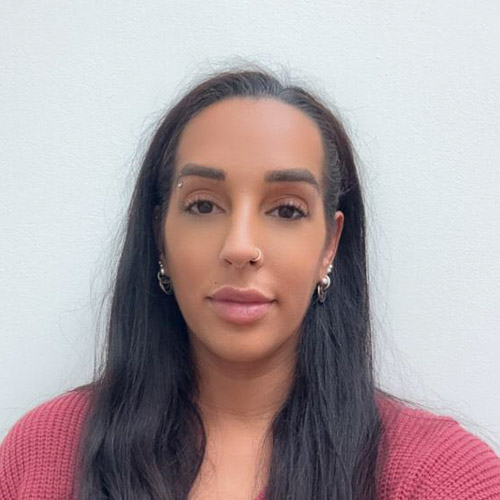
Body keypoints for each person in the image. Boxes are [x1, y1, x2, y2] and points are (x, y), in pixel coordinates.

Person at [1, 66, 499, 500]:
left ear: (330, 245)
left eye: (287, 210)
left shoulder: (442, 477)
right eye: (203, 205)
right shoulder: (41, 456)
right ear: (159, 236)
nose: (240, 247)